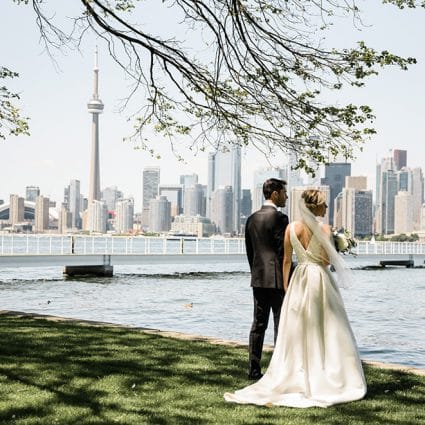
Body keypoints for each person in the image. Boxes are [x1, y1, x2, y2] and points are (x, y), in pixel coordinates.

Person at [224, 189, 366, 407]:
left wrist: (288, 285)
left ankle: (295, 371)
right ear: (315, 207)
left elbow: (286, 261)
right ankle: (326, 371)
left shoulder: (291, 228)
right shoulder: (325, 229)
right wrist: (336, 246)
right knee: (326, 324)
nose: (326, 208)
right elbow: (327, 261)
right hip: (319, 277)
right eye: (324, 205)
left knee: (298, 327)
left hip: (299, 278)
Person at [244, 178, 289, 380]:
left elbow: (250, 252)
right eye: (284, 193)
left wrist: (256, 271)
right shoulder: (280, 218)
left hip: (258, 278)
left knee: (258, 325)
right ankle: (278, 371)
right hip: (278, 279)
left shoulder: (251, 218)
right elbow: (283, 253)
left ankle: (254, 369)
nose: (286, 196)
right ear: (275, 194)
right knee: (281, 325)